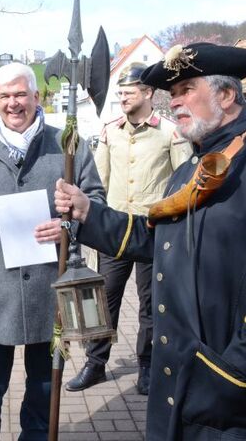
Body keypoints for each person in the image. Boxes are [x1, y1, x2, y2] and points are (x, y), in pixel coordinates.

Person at [40, 42, 246, 440]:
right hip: (182, 391)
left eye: (188, 89)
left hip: (225, 397)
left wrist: (230, 378)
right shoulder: (190, 171)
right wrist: (87, 211)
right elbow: (157, 240)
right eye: (174, 94)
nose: (177, 102)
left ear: (226, 94)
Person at [0, 62, 105, 441]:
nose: (13, 103)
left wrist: (69, 225)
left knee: (43, 387)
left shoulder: (68, 148)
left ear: (37, 97)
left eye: (20, 94)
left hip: (49, 290)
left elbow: (97, 201)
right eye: (4, 96)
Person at [67, 62, 191, 396]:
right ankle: (95, 365)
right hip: (115, 233)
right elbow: (99, 182)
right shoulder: (110, 131)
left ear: (148, 93)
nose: (122, 97)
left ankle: (148, 367)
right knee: (103, 300)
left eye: (129, 91)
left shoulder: (170, 132)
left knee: (151, 306)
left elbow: (184, 184)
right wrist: (95, 224)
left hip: (154, 233)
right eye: (120, 92)